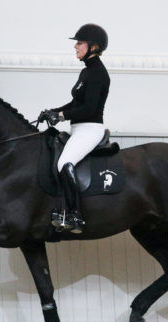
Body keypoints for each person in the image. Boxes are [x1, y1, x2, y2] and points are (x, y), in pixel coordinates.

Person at [40, 23, 110, 234]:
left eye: (80, 43)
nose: (76, 47)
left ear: (94, 47)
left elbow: (89, 109)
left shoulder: (98, 73)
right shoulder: (86, 72)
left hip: (90, 129)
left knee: (65, 162)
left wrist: (61, 116)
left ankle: (74, 215)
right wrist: (53, 111)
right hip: (78, 128)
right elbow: (75, 104)